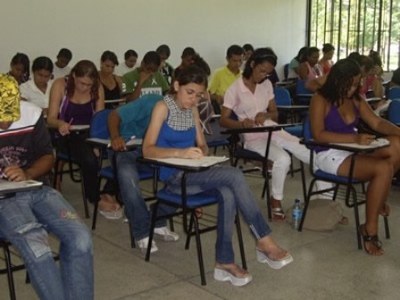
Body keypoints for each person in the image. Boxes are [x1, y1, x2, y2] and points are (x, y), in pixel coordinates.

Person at [142, 65, 293, 286]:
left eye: (199, 95)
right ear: (176, 86)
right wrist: (181, 153)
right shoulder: (162, 108)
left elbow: (203, 145)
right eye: (189, 92)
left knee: (227, 193)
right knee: (233, 176)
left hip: (195, 173)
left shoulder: (193, 110)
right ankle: (263, 238)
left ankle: (224, 262)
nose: (194, 100)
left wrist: (201, 153)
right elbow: (147, 150)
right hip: (174, 178)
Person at [0, 74, 93, 299]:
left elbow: (47, 157)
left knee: (81, 239)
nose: (5, 123)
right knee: (38, 246)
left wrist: (27, 173)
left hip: (37, 189)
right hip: (4, 200)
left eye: (10, 116)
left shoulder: (30, 113)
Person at [220, 48, 328, 220]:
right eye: (262, 71)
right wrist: (241, 123)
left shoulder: (267, 84)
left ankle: (325, 204)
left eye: (268, 73)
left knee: (314, 154)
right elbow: (223, 120)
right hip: (252, 137)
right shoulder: (235, 88)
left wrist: (266, 115)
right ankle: (275, 201)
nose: (264, 76)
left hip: (272, 130)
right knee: (283, 159)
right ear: (252, 64)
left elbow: (275, 113)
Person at [309, 58, 400, 256]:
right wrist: (354, 138)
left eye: (356, 83)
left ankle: (379, 193)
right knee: (384, 168)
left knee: (397, 145)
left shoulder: (357, 99)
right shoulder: (320, 99)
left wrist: (398, 131)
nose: (354, 87)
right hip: (329, 153)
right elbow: (319, 135)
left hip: (353, 149)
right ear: (337, 80)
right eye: (350, 84)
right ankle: (369, 229)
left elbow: (376, 123)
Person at [47, 60, 122, 219]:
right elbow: (51, 119)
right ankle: (94, 197)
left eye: (89, 84)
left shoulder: (97, 87)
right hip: (65, 134)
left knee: (121, 151)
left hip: (90, 133)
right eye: (82, 83)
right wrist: (60, 123)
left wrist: (97, 141)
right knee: (89, 159)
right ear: (73, 76)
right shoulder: (60, 85)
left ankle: (109, 191)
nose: (86, 88)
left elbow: (100, 118)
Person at [108, 94, 179, 253]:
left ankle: (157, 219)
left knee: (182, 177)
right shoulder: (152, 101)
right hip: (128, 147)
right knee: (128, 176)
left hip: (155, 152)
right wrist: (115, 137)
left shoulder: (186, 111)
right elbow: (114, 115)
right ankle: (142, 230)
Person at [209, 45, 244, 114]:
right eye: (234, 61)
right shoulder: (218, 73)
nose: (238, 64)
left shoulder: (244, 75)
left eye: (240, 60)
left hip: (241, 110)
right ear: (227, 59)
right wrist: (216, 97)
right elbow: (206, 94)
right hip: (223, 111)